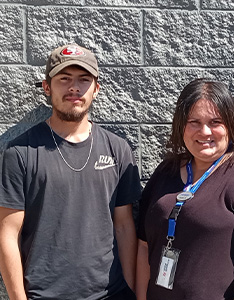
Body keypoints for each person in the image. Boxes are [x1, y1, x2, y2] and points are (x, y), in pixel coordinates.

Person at [0, 44, 141, 299]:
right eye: (64, 79)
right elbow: (7, 233)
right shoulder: (19, 152)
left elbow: (124, 226)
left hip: (112, 294)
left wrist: (130, 289)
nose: (74, 87)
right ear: (47, 87)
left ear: (96, 89)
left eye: (83, 80)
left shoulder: (118, 150)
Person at [136, 78, 234, 300]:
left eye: (215, 122)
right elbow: (144, 245)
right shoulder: (167, 170)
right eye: (194, 122)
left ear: (231, 124)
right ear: (181, 126)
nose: (205, 131)